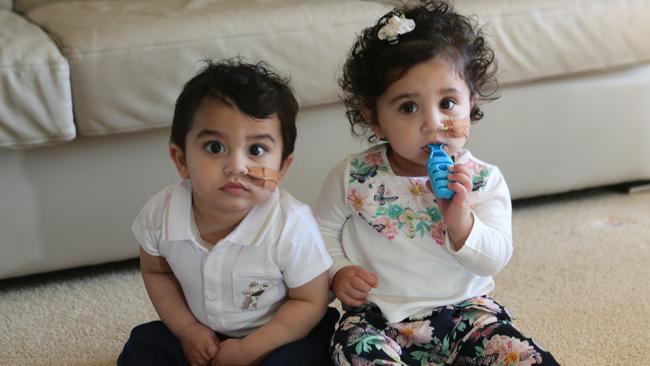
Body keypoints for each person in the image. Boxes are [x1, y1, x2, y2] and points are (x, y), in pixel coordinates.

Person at [315, 1, 559, 364]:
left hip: (466, 313)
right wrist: (338, 271)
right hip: (378, 316)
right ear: (375, 119)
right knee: (351, 351)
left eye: (447, 102)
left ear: (470, 103)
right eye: (409, 108)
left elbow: (494, 258)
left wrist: (462, 222)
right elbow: (319, 232)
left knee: (521, 356)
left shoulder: (482, 180)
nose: (433, 123)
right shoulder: (355, 175)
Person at [118, 58, 337, 366]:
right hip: (206, 333)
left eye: (256, 150)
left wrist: (249, 350)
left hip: (281, 334)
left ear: (283, 168)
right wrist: (187, 330)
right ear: (181, 159)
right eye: (214, 147)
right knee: (144, 345)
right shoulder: (161, 214)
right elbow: (157, 271)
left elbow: (310, 301)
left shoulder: (291, 224)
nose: (237, 166)